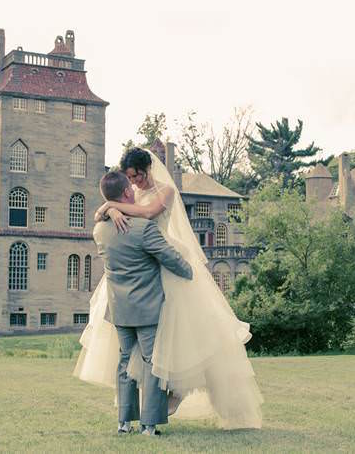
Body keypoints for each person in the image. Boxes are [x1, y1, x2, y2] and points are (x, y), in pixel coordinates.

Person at [74, 147, 263, 430]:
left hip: (162, 255)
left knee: (184, 334)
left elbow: (148, 212)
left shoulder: (165, 191)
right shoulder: (129, 196)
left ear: (146, 170)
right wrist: (110, 208)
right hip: (140, 264)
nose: (134, 183)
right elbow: (117, 213)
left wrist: (112, 207)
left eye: (136, 176)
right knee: (140, 351)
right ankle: (144, 411)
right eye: (129, 179)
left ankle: (173, 396)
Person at [90, 170, 194, 436]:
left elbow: (102, 215)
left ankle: (124, 422)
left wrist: (109, 209)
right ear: (127, 193)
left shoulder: (99, 229)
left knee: (125, 362)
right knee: (152, 362)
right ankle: (149, 424)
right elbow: (169, 257)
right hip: (147, 307)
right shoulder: (143, 228)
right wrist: (190, 270)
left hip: (119, 307)